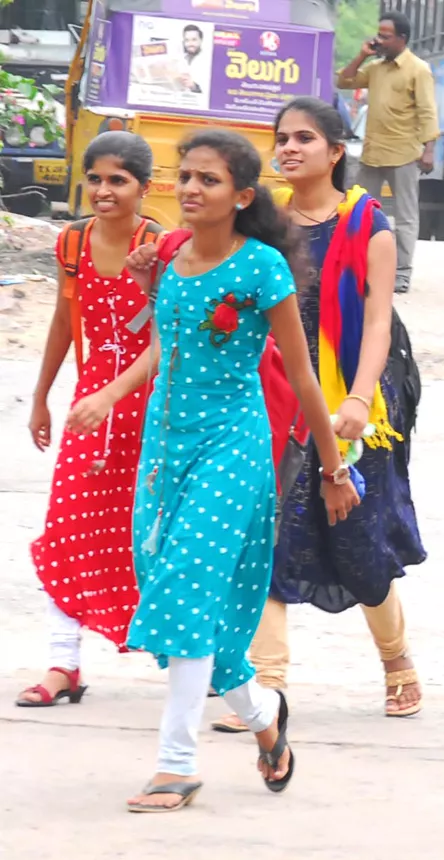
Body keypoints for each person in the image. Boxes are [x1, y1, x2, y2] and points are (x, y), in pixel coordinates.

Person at [106, 129, 359, 811]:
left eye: (208, 180)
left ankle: (175, 763)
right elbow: (160, 342)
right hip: (165, 446)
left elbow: (304, 378)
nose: (190, 189)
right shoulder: (170, 256)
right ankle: (262, 715)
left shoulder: (261, 268)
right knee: (168, 590)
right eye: (185, 176)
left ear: (243, 196)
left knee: (187, 588)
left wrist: (333, 470)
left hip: (234, 446)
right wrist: (107, 393)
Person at [209, 97, 427, 732]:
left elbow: (380, 320)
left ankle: (397, 662)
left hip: (353, 401)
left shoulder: (369, 224)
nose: (289, 148)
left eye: (304, 137)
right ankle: (267, 684)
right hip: (276, 400)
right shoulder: (262, 219)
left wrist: (359, 399)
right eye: (281, 138)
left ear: (336, 151)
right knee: (268, 537)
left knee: (359, 545)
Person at [19, 132, 159, 708]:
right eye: (95, 179)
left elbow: (168, 336)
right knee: (68, 528)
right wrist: (40, 397)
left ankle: (201, 662)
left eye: (118, 180)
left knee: (154, 537)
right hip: (86, 411)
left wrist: (121, 396)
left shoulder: (161, 246)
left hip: (151, 412)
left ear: (143, 189)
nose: (104, 191)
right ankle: (63, 663)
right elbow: (61, 321)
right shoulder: (71, 242)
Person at [337, 11, 438, 293]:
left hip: (404, 154)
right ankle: (356, 268)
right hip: (372, 153)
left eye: (386, 36)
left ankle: (402, 274)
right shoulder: (376, 68)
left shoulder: (418, 69)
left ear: (402, 39)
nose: (379, 39)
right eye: (378, 34)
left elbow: (428, 112)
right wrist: (361, 56)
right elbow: (343, 82)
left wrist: (428, 149)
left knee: (405, 218)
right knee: (357, 211)